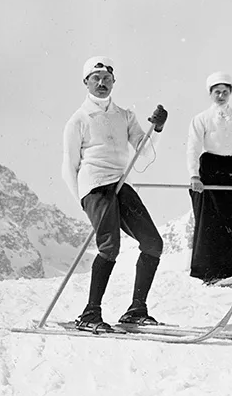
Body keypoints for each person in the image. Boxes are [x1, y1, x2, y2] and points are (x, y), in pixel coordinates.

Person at [61, 56, 168, 332]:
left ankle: (136, 310)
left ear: (113, 82)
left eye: (106, 79)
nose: (101, 83)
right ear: (85, 82)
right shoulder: (78, 120)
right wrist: (85, 202)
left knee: (153, 243)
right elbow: (68, 167)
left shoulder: (125, 116)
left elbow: (144, 151)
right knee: (110, 246)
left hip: (119, 185)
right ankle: (90, 314)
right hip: (95, 186)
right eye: (95, 78)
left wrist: (156, 129)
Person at [185, 71, 232, 282]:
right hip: (209, 169)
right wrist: (194, 176)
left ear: (230, 93)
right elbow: (192, 148)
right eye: (217, 92)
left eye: (225, 92)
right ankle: (209, 271)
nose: (221, 96)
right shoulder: (200, 119)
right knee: (212, 220)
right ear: (210, 93)